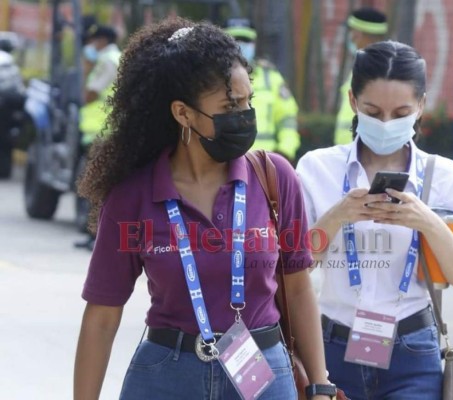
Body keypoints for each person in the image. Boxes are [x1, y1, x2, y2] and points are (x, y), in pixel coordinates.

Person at [74, 17, 335, 400]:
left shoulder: (276, 178)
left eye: (248, 102)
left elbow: (297, 289)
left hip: (263, 373)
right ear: (183, 113)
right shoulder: (132, 196)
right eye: (230, 106)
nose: (245, 116)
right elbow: (102, 316)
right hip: (166, 376)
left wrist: (320, 382)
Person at [296, 41, 453, 399]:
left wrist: (426, 221)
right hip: (330, 348)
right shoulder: (317, 168)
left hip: (412, 350)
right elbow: (294, 267)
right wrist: (338, 215)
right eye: (373, 111)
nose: (386, 124)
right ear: (353, 101)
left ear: (421, 106)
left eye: (401, 113)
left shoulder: (446, 176)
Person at [225, 18, 301, 162]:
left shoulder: (272, 78)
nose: (240, 45)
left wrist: (284, 153)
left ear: (254, 44)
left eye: (246, 41)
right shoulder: (212, 80)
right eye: (234, 40)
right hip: (226, 161)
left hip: (267, 163)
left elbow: (288, 120)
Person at [74, 24, 121, 251]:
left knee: (96, 186)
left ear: (102, 40)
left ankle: (96, 237)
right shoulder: (116, 58)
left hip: (101, 132)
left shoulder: (108, 60)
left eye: (94, 41)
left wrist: (86, 69)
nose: (91, 46)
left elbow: (91, 92)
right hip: (104, 131)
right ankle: (95, 235)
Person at [334, 7, 387, 145]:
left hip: (363, 152)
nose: (351, 37)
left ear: (367, 36)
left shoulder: (381, 70)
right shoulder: (360, 67)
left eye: (355, 34)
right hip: (349, 152)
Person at [0, 32, 25, 178]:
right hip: (9, 107)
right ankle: (4, 170)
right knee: (6, 140)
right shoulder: (10, 62)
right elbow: (19, 89)